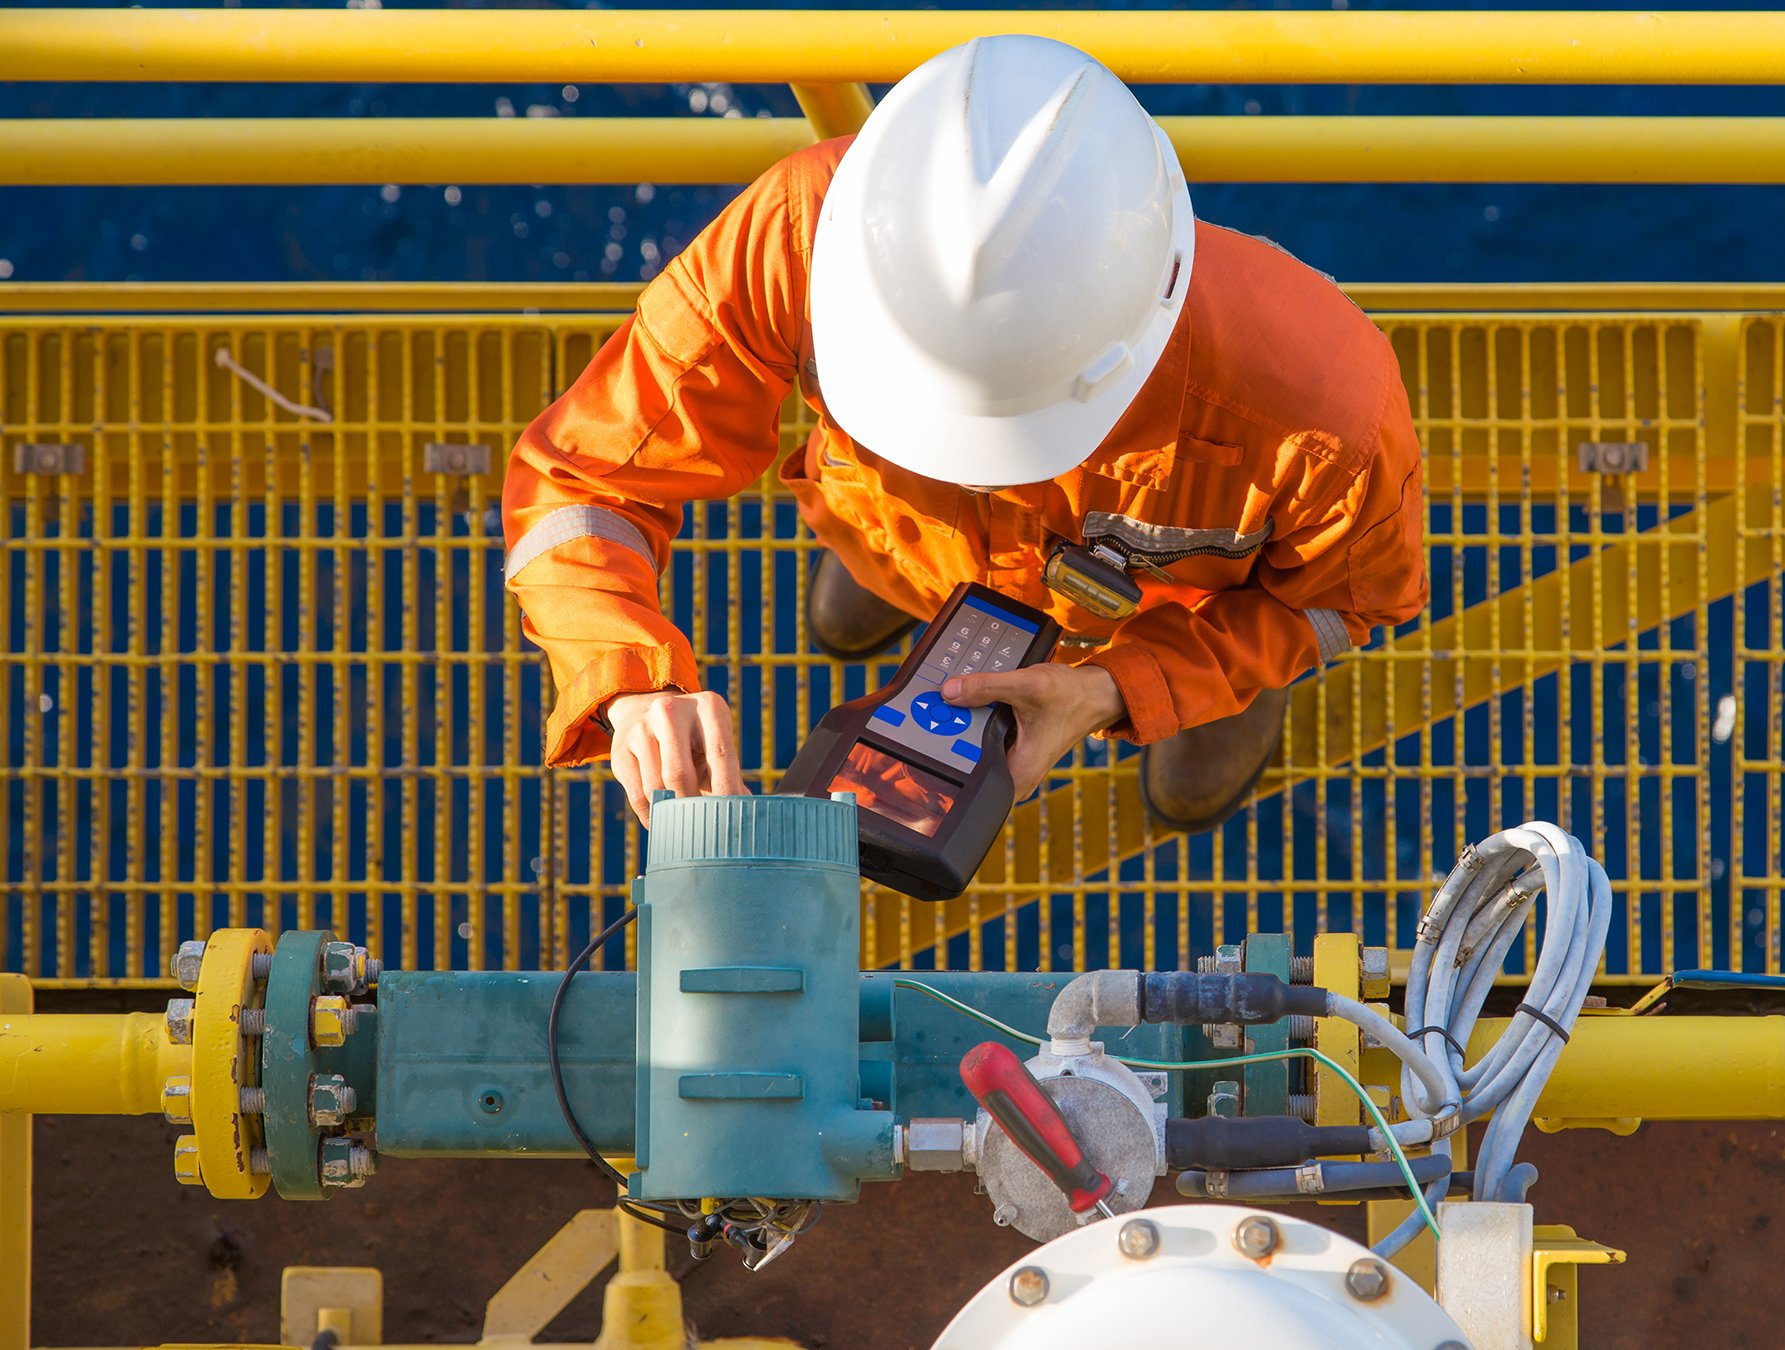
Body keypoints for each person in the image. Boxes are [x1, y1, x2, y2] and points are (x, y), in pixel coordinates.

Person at [501, 35, 1427, 834]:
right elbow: (583, 482)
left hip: (1165, 620)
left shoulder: (1322, 412)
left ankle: (1195, 704)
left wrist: (1122, 686)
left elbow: (1341, 604)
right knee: (855, 602)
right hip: (889, 536)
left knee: (1191, 758)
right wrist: (626, 679)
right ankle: (897, 589)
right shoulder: (799, 232)